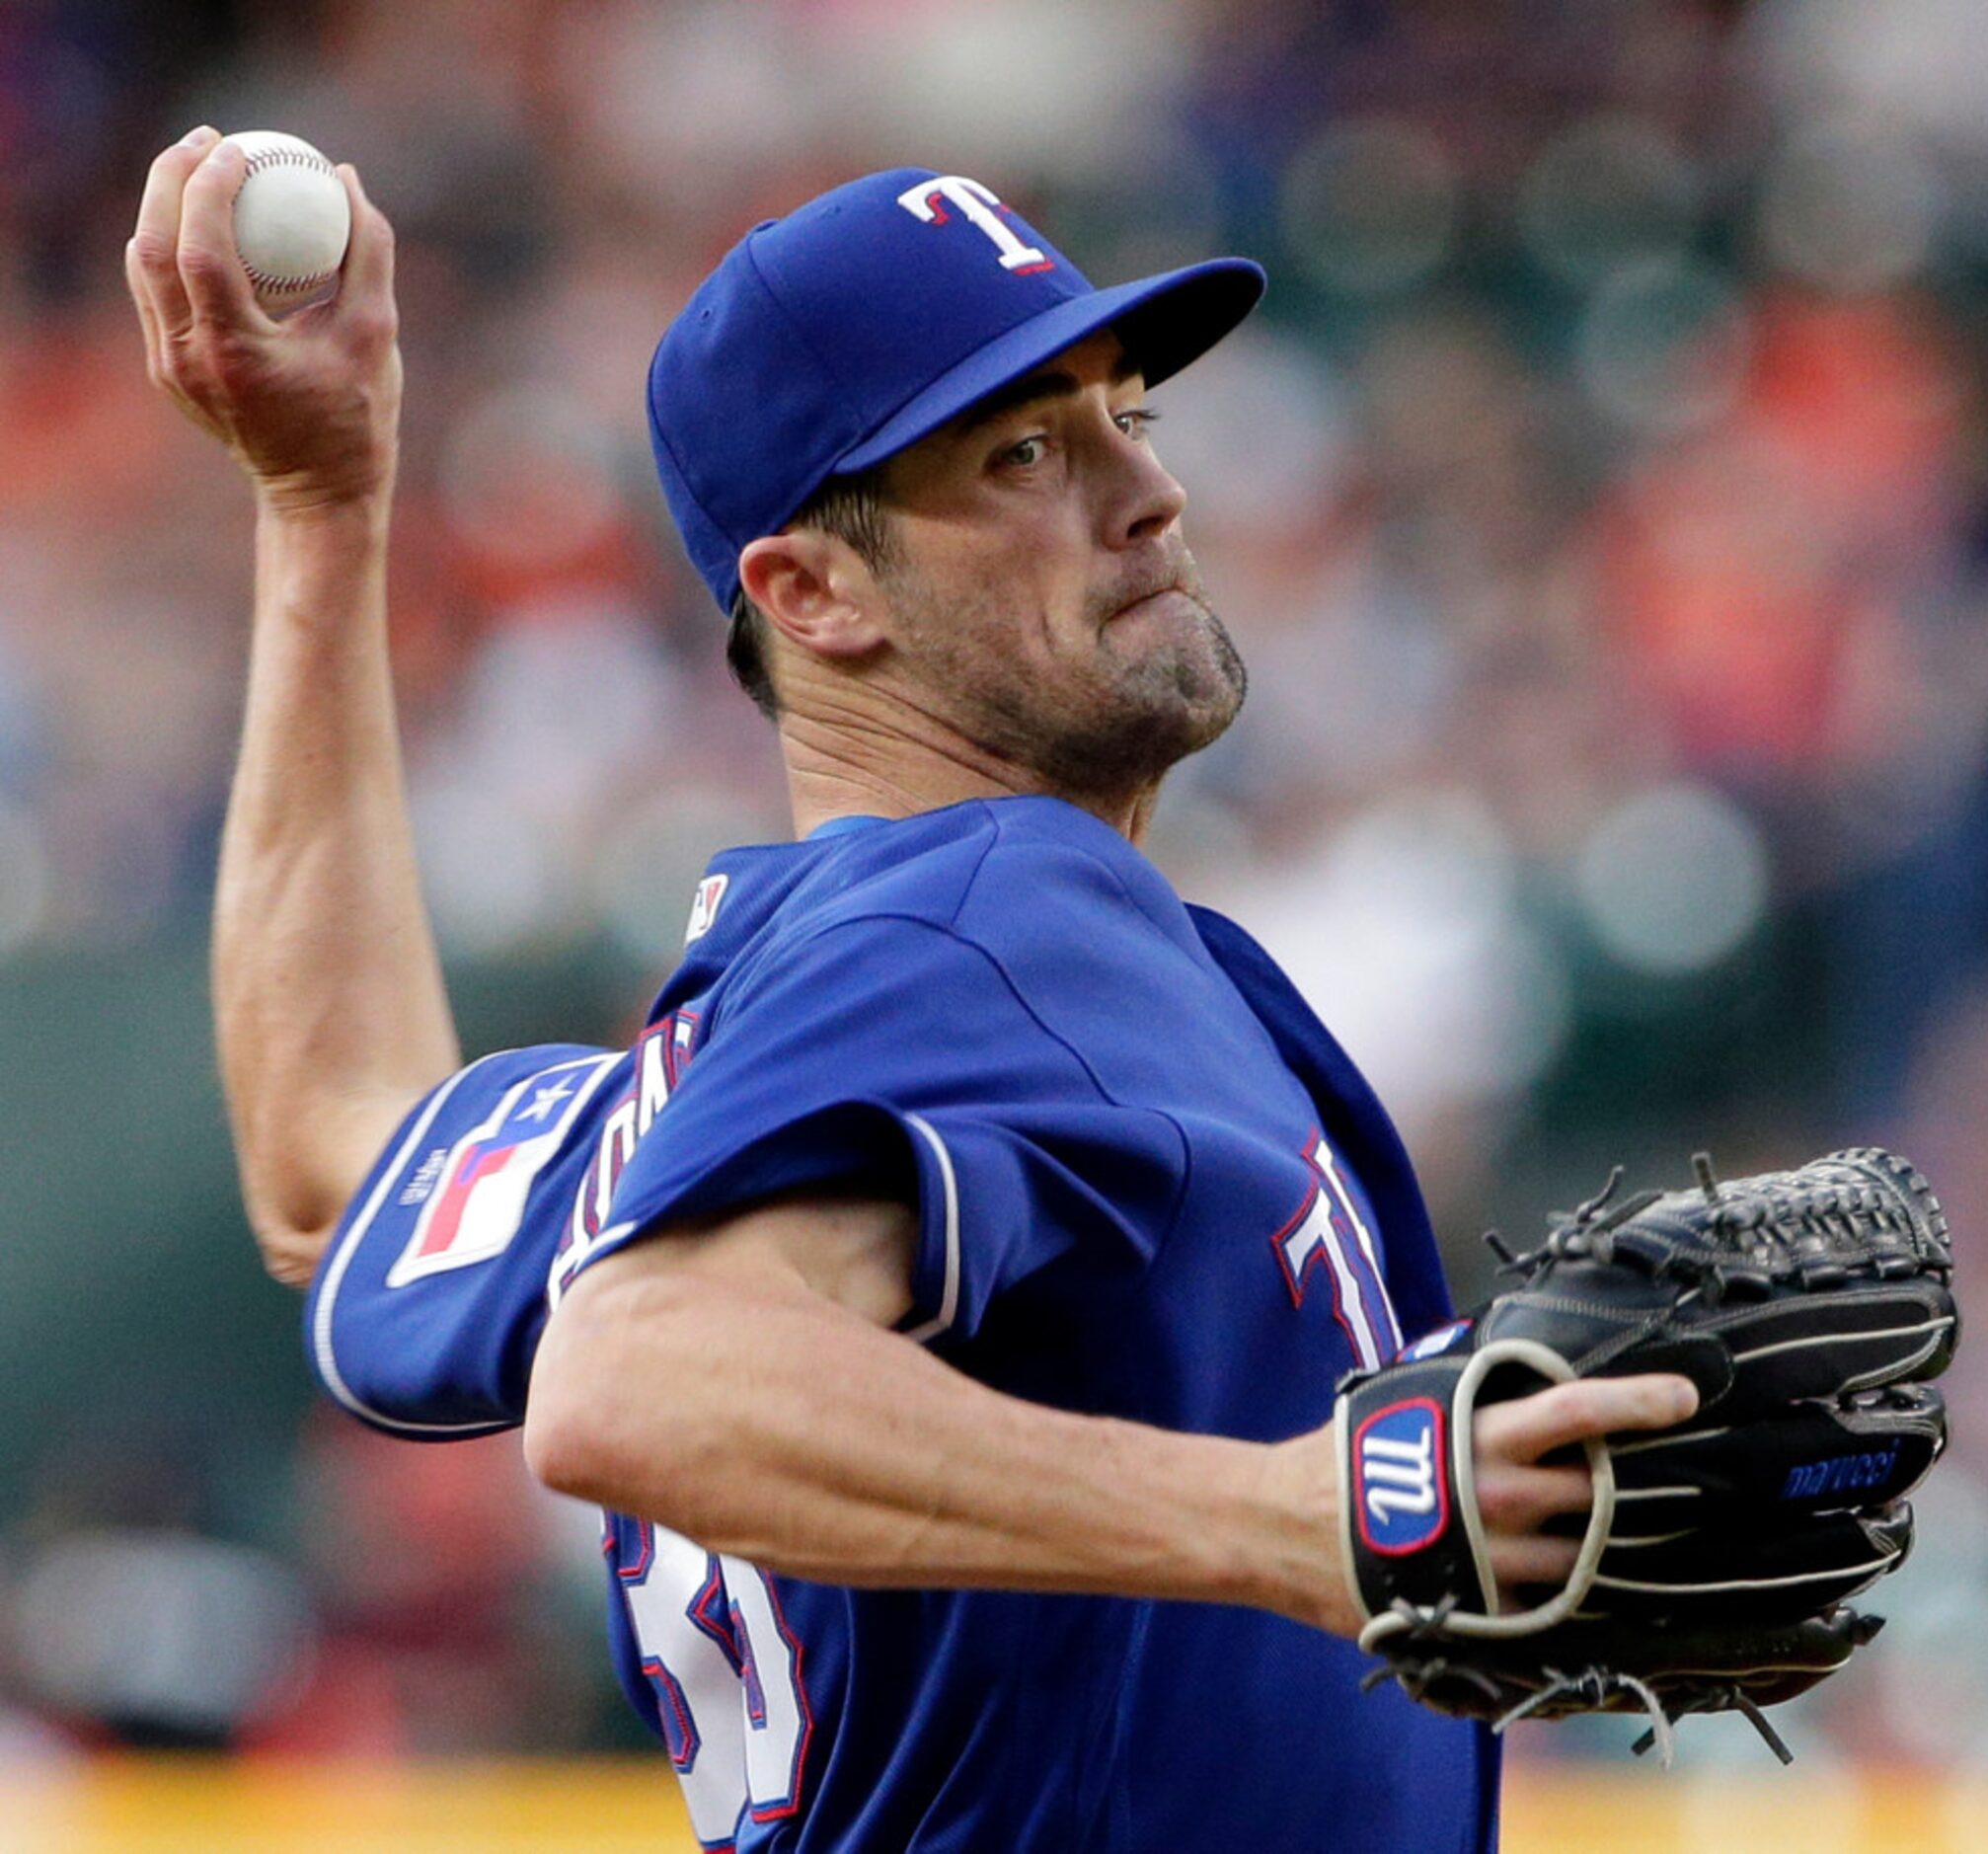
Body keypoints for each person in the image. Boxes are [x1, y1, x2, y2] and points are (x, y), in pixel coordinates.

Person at [129, 129, 1699, 1851]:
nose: (1148, 490)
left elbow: (333, 1154)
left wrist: (320, 509)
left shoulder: (745, 1044)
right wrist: (1289, 1516)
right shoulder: (998, 918)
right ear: (813, 593)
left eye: (1129, 415)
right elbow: (634, 1376)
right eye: (1025, 449)